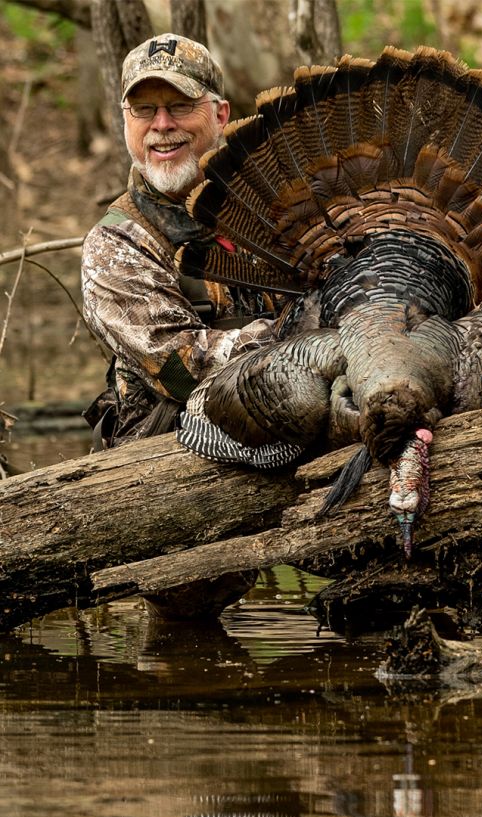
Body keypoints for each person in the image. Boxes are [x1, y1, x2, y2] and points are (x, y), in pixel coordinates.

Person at [80, 34, 276, 619]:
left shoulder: (272, 212)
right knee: (175, 655)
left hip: (283, 426)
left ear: (220, 114)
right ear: (125, 123)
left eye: (180, 106)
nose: (162, 126)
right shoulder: (114, 245)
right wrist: (309, 338)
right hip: (170, 463)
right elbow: (184, 370)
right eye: (145, 110)